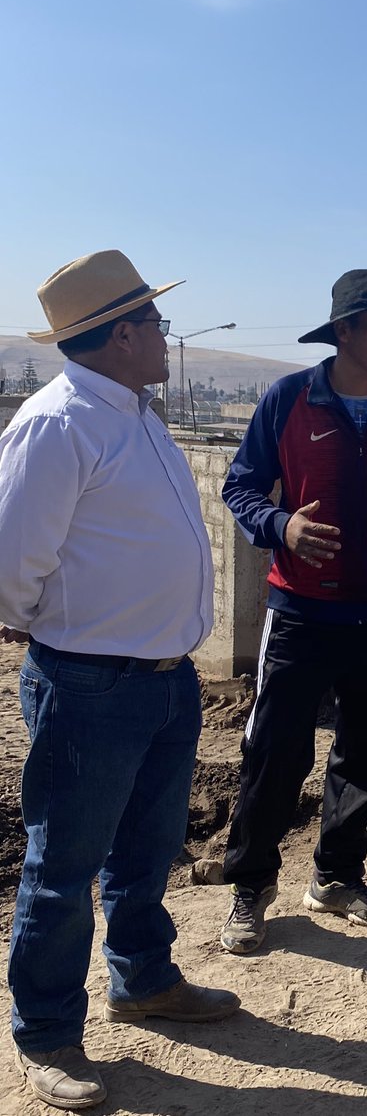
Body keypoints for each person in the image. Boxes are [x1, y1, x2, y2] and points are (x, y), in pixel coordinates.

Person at [0, 250, 240, 1111]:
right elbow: (8, 565)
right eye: (158, 326)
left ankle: (142, 979)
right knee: (63, 864)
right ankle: (48, 1032)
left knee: (145, 850)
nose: (168, 340)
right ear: (124, 335)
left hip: (165, 682)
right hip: (91, 684)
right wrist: (52, 626)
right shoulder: (57, 422)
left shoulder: (134, 412)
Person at [194, 269, 367, 955]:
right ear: (344, 331)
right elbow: (241, 485)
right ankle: (250, 886)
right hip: (304, 614)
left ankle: (336, 877)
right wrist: (282, 526)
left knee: (362, 754)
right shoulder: (290, 399)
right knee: (276, 753)